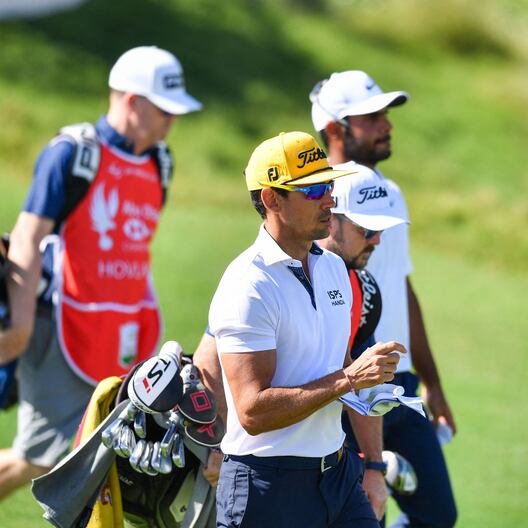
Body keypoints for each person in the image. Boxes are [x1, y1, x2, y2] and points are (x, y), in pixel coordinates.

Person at [0, 45, 201, 500]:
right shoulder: (71, 154)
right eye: (165, 110)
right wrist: (19, 326)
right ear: (132, 102)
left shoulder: (159, 163)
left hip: (122, 329)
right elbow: (28, 239)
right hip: (60, 321)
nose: (174, 121)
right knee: (42, 457)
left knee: (101, 450)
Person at [209, 131, 406, 527]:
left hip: (336, 475)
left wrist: (370, 387)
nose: (329, 199)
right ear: (271, 199)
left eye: (329, 185)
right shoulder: (247, 284)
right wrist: (350, 378)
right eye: (313, 189)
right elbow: (251, 410)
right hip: (265, 486)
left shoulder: (334, 268)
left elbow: (339, 366)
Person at [310, 70, 457, 528]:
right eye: (371, 117)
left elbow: (401, 286)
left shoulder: (390, 194)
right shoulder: (316, 201)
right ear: (335, 128)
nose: (386, 125)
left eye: (385, 116)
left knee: (436, 515)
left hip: (400, 384)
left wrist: (431, 381)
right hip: (346, 388)